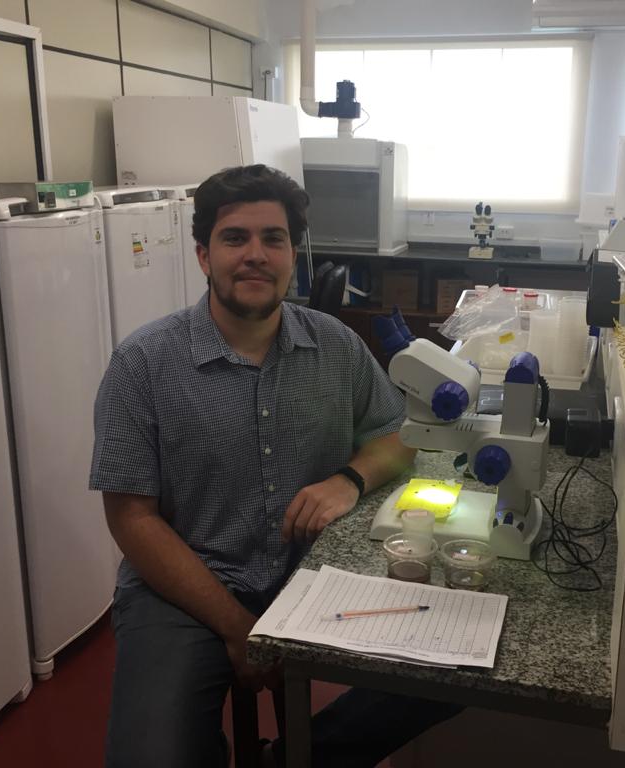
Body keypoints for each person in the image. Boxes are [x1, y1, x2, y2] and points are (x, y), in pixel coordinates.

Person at [91, 164, 461, 767]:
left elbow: (399, 434)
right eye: (235, 238)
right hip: (187, 588)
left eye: (274, 239)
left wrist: (349, 480)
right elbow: (131, 518)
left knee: (447, 670)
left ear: (294, 256)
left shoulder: (335, 345)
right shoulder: (143, 364)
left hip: (315, 575)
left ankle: (295, 758)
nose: (255, 255)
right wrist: (239, 628)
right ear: (204, 255)